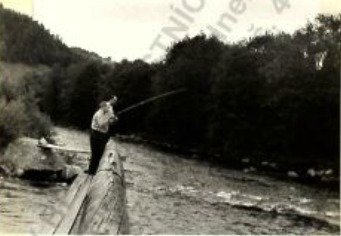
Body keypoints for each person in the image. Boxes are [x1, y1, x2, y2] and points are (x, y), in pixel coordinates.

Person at [87, 96, 118, 175]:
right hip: (95, 134)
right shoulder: (99, 114)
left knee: (100, 153)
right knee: (95, 153)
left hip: (103, 135)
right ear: (101, 107)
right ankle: (91, 171)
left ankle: (95, 171)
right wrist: (110, 120)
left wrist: (114, 120)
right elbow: (101, 124)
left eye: (108, 106)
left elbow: (111, 122)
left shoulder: (109, 107)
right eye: (106, 107)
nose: (108, 108)